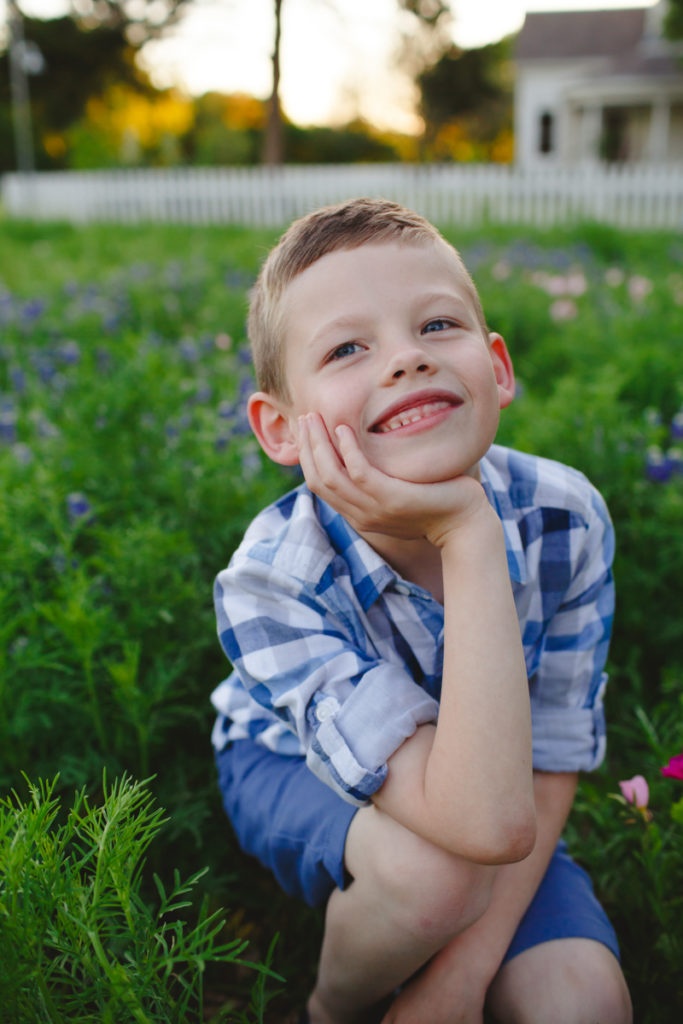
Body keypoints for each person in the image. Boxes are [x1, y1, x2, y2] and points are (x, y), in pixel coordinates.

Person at [210, 198, 632, 1024]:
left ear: (498, 367)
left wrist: (457, 981)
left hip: (500, 784)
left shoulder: (564, 516)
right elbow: (474, 823)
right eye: (346, 348)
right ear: (281, 430)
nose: (405, 360)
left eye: (437, 326)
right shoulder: (269, 582)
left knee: (578, 1001)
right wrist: (464, 528)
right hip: (289, 763)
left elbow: (538, 769)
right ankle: (331, 1008)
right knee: (432, 877)